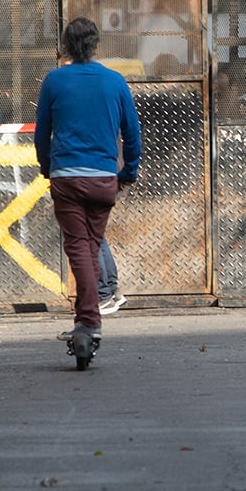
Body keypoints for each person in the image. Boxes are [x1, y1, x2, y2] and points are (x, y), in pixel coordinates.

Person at [36, 18, 140, 344]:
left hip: (66, 177)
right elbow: (132, 133)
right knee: (91, 245)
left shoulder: (54, 81)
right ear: (96, 45)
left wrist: (47, 167)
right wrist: (129, 172)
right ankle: (86, 321)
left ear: (66, 45)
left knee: (79, 248)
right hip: (104, 179)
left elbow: (42, 133)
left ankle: (90, 322)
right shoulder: (115, 81)